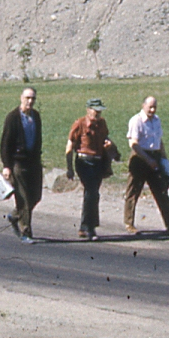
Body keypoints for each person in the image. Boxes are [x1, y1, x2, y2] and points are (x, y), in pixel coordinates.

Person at [125, 95, 169, 235]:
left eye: (154, 107)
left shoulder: (156, 121)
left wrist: (163, 158)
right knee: (133, 191)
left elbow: (159, 140)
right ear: (143, 105)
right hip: (140, 158)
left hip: (155, 156)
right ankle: (129, 224)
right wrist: (147, 160)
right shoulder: (136, 121)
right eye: (150, 107)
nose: (152, 110)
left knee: (161, 191)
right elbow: (134, 144)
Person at [66, 98, 116, 240]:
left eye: (100, 111)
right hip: (84, 162)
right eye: (95, 110)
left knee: (93, 194)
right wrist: (70, 168)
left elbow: (106, 138)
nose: (98, 113)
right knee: (92, 192)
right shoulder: (79, 124)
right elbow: (69, 147)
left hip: (99, 162)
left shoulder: (102, 124)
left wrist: (109, 146)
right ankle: (90, 228)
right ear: (88, 110)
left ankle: (85, 227)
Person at [0, 87, 43, 244]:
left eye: (33, 98)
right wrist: (7, 166)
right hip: (18, 163)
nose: (30, 101)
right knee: (23, 198)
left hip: (34, 162)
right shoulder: (13, 117)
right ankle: (26, 232)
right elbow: (5, 144)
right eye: (27, 98)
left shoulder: (36, 116)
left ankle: (15, 215)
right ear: (21, 98)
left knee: (36, 196)